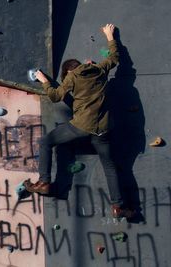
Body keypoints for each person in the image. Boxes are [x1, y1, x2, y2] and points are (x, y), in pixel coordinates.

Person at [24, 24, 134, 219]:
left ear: (67, 72)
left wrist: (44, 80)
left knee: (46, 142)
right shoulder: (99, 70)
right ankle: (118, 206)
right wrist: (110, 36)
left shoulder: (72, 77)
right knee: (109, 166)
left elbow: (57, 96)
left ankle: (44, 182)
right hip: (104, 129)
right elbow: (115, 58)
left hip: (82, 126)